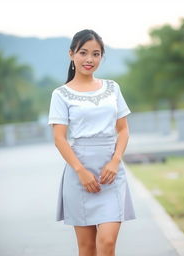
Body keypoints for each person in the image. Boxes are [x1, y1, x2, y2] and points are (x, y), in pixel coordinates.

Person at [48, 29, 136, 256]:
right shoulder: (61, 94)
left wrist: (115, 162)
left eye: (96, 54)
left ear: (101, 57)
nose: (89, 59)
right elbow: (59, 138)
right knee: (87, 248)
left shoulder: (112, 88)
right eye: (83, 53)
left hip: (111, 174)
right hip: (79, 175)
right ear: (71, 54)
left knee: (107, 243)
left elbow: (123, 130)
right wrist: (81, 171)